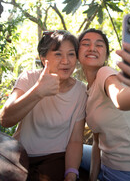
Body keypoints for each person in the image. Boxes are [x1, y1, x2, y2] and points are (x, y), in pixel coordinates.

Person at [0, 30, 87, 181]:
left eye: (71, 54)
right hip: (19, 156)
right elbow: (5, 119)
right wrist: (38, 91)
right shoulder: (29, 78)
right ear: (43, 58)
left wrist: (71, 174)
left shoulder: (81, 91)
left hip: (55, 159)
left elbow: (76, 140)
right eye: (58, 54)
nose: (66, 61)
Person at [78, 28, 130, 181]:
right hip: (106, 164)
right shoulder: (88, 92)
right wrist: (92, 178)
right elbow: (96, 143)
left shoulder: (105, 73)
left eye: (99, 45)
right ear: (77, 53)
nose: (92, 48)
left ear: (106, 55)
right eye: (85, 44)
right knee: (73, 150)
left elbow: (120, 98)